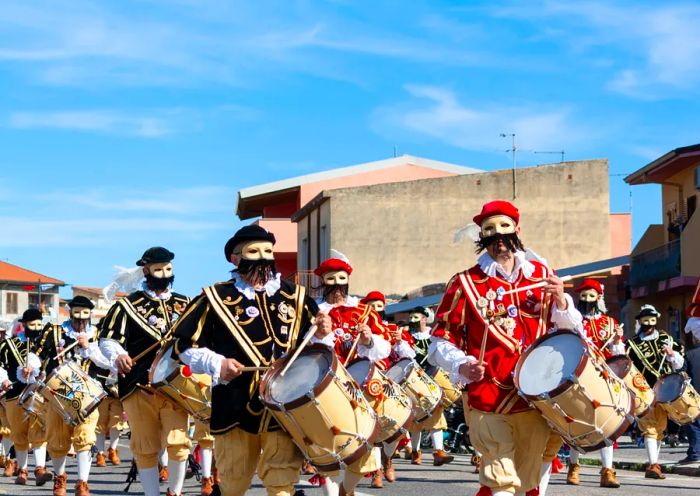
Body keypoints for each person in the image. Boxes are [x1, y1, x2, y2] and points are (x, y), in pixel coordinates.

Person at [429, 200, 583, 496]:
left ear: (517, 230)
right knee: (500, 476)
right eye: (489, 231)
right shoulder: (465, 283)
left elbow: (569, 331)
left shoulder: (542, 275)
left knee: (527, 479)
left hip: (535, 397)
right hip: (488, 394)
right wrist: (462, 365)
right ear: (481, 238)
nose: (498, 237)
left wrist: (562, 301)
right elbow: (440, 341)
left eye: (504, 228)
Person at [171, 225, 332, 496]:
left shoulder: (296, 296)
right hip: (234, 405)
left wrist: (323, 334)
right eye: (253, 251)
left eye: (268, 251)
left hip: (283, 405)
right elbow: (182, 347)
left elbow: (317, 349)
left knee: (282, 481)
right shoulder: (214, 298)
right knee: (234, 482)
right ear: (235, 258)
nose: (262, 257)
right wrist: (217, 364)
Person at [99, 247, 192, 496]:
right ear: (146, 271)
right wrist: (118, 354)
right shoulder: (127, 306)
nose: (164, 274)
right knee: (145, 445)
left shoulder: (185, 304)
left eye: (168, 269)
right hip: (138, 385)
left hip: (176, 386)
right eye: (159, 269)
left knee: (178, 443)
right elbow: (107, 339)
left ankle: (176, 492)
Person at [310, 254, 391, 495]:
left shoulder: (364, 311)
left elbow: (385, 347)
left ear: (348, 281)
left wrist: (368, 339)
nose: (336, 284)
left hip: (360, 386)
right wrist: (319, 336)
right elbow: (300, 349)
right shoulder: (313, 311)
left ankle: (347, 488)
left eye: (341, 279)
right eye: (330, 279)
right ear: (324, 282)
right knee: (328, 446)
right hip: (326, 387)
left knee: (365, 446)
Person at [31, 295, 113, 496]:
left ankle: (83, 482)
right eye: (77, 315)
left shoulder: (98, 335)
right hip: (57, 393)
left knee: (85, 437)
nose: (81, 321)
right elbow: (37, 353)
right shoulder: (54, 330)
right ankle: (60, 478)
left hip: (88, 395)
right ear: (70, 312)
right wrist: (29, 367)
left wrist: (89, 347)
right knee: (57, 437)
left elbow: (108, 362)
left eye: (85, 316)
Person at [566, 278, 625, 488]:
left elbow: (619, 355)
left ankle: (607, 471)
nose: (587, 299)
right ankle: (574, 466)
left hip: (604, 379)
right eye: (583, 296)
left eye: (591, 296)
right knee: (576, 423)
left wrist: (617, 341)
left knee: (607, 425)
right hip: (577, 379)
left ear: (599, 298)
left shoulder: (610, 323)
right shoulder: (572, 322)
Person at [360, 291, 416, 484]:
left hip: (390, 380)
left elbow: (409, 355)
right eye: (371, 306)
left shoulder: (391, 328)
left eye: (379, 306)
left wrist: (400, 341)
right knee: (372, 425)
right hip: (365, 381)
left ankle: (388, 459)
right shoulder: (359, 328)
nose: (375, 310)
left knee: (395, 425)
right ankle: (376, 471)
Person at [627, 304, 684, 479]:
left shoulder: (666, 339)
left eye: (652, 320)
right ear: (639, 321)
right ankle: (653, 464)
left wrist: (671, 354)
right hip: (645, 391)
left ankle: (654, 463)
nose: (649, 324)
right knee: (650, 427)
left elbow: (679, 364)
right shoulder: (632, 344)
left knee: (660, 428)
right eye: (645, 320)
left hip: (667, 390)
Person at [0, 308, 51, 486]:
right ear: (24, 325)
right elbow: (0, 366)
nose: (36, 328)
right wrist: (4, 379)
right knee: (19, 434)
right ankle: (22, 469)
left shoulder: (46, 344)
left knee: (39, 432)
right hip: (15, 395)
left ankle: (40, 469)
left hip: (38, 394)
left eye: (39, 324)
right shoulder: (8, 345)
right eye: (32, 324)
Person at [404, 306, 454, 467]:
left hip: (432, 377)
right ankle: (415, 452)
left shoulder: (433, 335)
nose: (412, 320)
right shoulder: (407, 336)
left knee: (436, 411)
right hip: (414, 379)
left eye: (416, 317)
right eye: (411, 317)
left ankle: (438, 452)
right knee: (416, 418)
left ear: (425, 319)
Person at [683, 280, 700, 464]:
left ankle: (695, 453)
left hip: (696, 394)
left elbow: (683, 373)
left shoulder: (691, 354)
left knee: (694, 422)